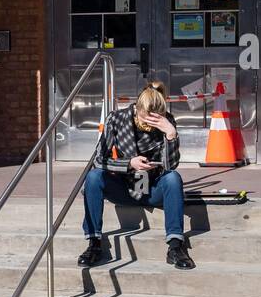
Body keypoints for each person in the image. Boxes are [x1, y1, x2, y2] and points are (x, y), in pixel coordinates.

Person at [79, 82, 195, 270]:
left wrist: (171, 134)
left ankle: (175, 246)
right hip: (124, 188)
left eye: (155, 120)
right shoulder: (116, 119)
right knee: (93, 176)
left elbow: (171, 166)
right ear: (137, 108)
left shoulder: (167, 122)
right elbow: (99, 159)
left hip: (154, 188)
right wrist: (128, 164)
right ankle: (94, 243)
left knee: (173, 178)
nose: (149, 125)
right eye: (145, 119)